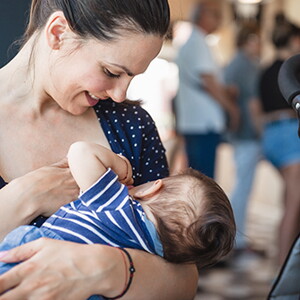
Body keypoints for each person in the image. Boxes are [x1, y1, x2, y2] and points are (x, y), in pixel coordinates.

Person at [0, 0, 199, 299]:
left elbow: (184, 280)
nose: (120, 96)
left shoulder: (132, 125)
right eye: (111, 71)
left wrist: (109, 268)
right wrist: (26, 196)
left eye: (132, 77)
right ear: (58, 33)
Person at [0, 141, 236, 279]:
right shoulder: (151, 254)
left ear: (151, 189)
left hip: (33, 258)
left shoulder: (118, 204)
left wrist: (120, 163)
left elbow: (80, 151)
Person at [174, 0, 239, 179]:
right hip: (203, 123)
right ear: (202, 14)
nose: (219, 19)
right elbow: (209, 83)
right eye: (215, 14)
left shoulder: (196, 42)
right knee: (203, 181)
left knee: (198, 178)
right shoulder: (197, 42)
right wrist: (231, 109)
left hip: (196, 122)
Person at [256, 14, 300, 265]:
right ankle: (284, 270)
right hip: (290, 134)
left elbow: (257, 109)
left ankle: (284, 259)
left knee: (291, 200)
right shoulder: (294, 70)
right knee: (294, 206)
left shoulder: (266, 71)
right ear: (295, 39)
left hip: (271, 136)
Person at [223, 23, 262, 253]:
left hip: (238, 133)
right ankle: (237, 239)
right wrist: (261, 130)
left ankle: (237, 237)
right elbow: (252, 102)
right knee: (243, 187)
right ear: (246, 41)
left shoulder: (233, 64)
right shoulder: (245, 65)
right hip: (247, 133)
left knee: (241, 185)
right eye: (255, 41)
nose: (258, 46)